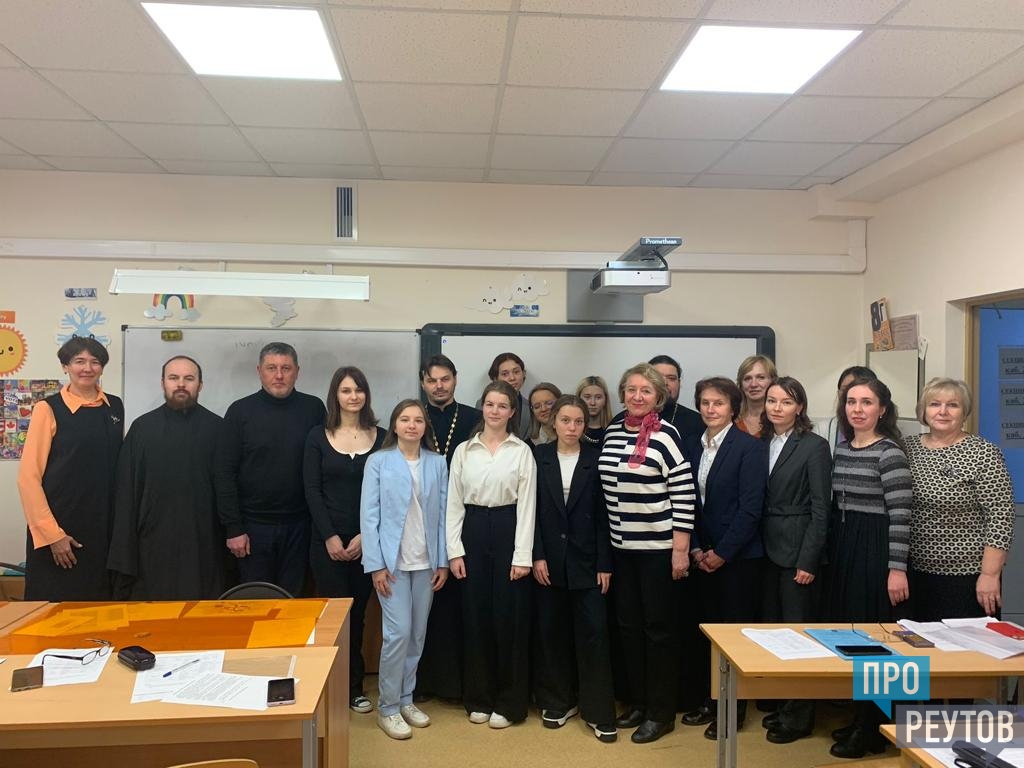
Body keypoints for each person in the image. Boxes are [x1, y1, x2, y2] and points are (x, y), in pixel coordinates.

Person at [599, 363, 695, 744]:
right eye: (631, 389)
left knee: (658, 633)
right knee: (629, 629)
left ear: (659, 397)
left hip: (658, 551)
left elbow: (684, 494)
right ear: (622, 393)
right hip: (621, 550)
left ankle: (661, 712)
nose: (637, 396)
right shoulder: (612, 432)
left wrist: (680, 550)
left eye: (646, 391)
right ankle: (638, 702)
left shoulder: (666, 435)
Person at [827, 376, 912, 759]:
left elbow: (901, 515)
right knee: (854, 636)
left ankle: (875, 729)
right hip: (847, 546)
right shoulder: (844, 449)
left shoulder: (889, 452)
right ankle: (861, 718)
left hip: (876, 550)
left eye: (866, 402)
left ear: (882, 409)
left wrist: (896, 569)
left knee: (876, 642)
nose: (857, 409)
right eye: (851, 402)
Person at [446, 380, 537, 728]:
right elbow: (454, 503)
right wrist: (454, 551)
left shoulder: (521, 451)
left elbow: (527, 506)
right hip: (472, 529)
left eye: (502, 405)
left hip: (508, 528)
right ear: (482, 407)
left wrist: (522, 556)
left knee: (508, 619)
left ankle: (509, 703)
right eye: (489, 404)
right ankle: (479, 698)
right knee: (475, 616)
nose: (495, 411)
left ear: (512, 412)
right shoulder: (464, 451)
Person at [681, 377, 767, 741]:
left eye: (718, 403)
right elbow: (686, 500)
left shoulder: (750, 448)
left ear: (733, 408)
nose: (710, 409)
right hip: (702, 556)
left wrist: (722, 553)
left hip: (738, 560)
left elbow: (751, 509)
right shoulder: (692, 444)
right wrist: (696, 548)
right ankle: (710, 700)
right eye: (705, 403)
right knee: (706, 634)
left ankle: (733, 710)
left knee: (733, 637)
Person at [107, 356, 234, 600]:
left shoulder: (218, 429)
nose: (181, 384)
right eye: (174, 378)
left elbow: (228, 488)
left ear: (200, 384)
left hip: (204, 541)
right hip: (152, 542)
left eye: (189, 378)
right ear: (163, 382)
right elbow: (126, 493)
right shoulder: (142, 429)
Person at [360, 400, 449, 740]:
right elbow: (369, 516)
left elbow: (443, 515)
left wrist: (442, 561)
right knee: (397, 634)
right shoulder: (379, 462)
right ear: (395, 425)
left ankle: (406, 699)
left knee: (416, 635)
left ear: (425, 427)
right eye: (405, 419)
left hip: (426, 563)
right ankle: (387, 707)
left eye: (418, 420)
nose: (412, 425)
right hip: (392, 564)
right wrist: (376, 565)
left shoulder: (437, 463)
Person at [532, 395, 617, 743]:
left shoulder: (596, 459)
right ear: (553, 421)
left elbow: (605, 516)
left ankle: (598, 710)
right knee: (552, 634)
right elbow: (531, 511)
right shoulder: (538, 457)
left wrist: (605, 563)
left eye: (578, 421)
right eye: (565, 420)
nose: (572, 427)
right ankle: (559, 701)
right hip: (549, 561)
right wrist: (536, 555)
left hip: (588, 562)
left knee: (594, 635)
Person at [303, 365, 385, 714]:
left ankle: (353, 688)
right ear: (335, 395)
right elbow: (311, 490)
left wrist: (366, 536)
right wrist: (330, 537)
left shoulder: (382, 438)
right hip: (327, 544)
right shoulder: (317, 436)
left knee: (359, 618)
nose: (353, 396)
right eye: (346, 390)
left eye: (358, 390)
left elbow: (387, 493)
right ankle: (329, 687)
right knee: (333, 619)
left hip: (368, 543)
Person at [17, 336, 124, 601]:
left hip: (103, 528)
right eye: (79, 361)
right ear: (65, 366)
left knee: (101, 606)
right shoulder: (48, 409)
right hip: (61, 528)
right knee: (55, 609)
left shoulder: (115, 406)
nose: (87, 368)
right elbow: (28, 479)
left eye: (95, 362)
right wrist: (52, 535)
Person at [757, 377, 832, 745]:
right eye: (772, 401)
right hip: (765, 550)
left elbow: (821, 508)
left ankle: (800, 716)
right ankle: (785, 703)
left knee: (799, 635)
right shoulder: (762, 441)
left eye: (786, 402)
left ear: (799, 407)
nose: (777, 408)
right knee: (775, 633)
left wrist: (809, 559)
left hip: (798, 550)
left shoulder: (814, 446)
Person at [904, 378, 1014, 622]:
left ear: (964, 412)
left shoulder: (983, 452)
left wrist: (990, 574)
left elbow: (1001, 516)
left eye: (952, 405)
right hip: (915, 575)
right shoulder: (907, 448)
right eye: (934, 404)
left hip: (968, 577)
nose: (942, 411)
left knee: (966, 645)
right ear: (923, 410)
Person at [222, 342, 325, 596]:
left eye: (286, 368)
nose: (279, 375)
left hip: (301, 527)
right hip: (253, 529)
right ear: (259, 371)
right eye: (271, 368)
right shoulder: (239, 412)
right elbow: (224, 473)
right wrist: (234, 528)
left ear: (297, 371)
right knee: (257, 603)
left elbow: (324, 468)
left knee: (296, 602)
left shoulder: (314, 409)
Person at [415, 354, 481, 703]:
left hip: (466, 523)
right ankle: (426, 682)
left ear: (455, 379)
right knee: (428, 606)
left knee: (462, 606)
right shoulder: (413, 418)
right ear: (423, 382)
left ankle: (461, 684)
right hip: (422, 522)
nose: (439, 386)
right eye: (432, 380)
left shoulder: (474, 418)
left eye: (445, 379)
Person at [819, 366, 877, 452]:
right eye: (845, 389)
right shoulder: (823, 429)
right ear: (838, 393)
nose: (850, 394)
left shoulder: (889, 447)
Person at [648, 354, 705, 440]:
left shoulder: (698, 422)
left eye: (671, 378)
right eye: (658, 377)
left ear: (679, 383)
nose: (665, 383)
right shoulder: (628, 418)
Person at [485, 352, 530, 439]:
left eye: (516, 372)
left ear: (523, 373)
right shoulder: (484, 404)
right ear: (495, 378)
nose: (512, 378)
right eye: (505, 374)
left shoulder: (530, 406)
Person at [735, 354, 777, 437]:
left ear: (773, 381)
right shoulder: (731, 420)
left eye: (761, 377)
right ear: (741, 384)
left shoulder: (779, 419)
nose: (753, 384)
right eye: (747, 378)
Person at [576, 375, 612, 446]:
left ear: (605, 400)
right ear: (579, 399)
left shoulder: (615, 428)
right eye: (587, 397)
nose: (592, 403)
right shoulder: (571, 429)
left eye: (598, 397)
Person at [527, 382, 562, 447]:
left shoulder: (576, 438)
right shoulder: (527, 446)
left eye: (549, 403)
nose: (543, 409)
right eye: (537, 406)